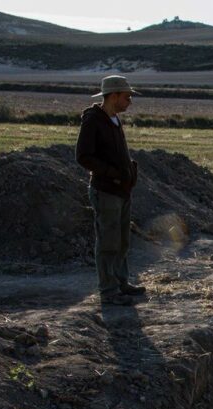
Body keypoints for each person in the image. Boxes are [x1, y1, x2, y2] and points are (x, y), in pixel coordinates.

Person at [75, 75, 145, 306]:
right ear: (113, 96)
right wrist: (113, 174)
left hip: (122, 191)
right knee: (108, 242)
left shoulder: (114, 119)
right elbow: (83, 156)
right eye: (127, 96)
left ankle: (121, 282)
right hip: (106, 191)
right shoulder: (93, 120)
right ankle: (108, 290)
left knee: (123, 240)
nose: (130, 101)